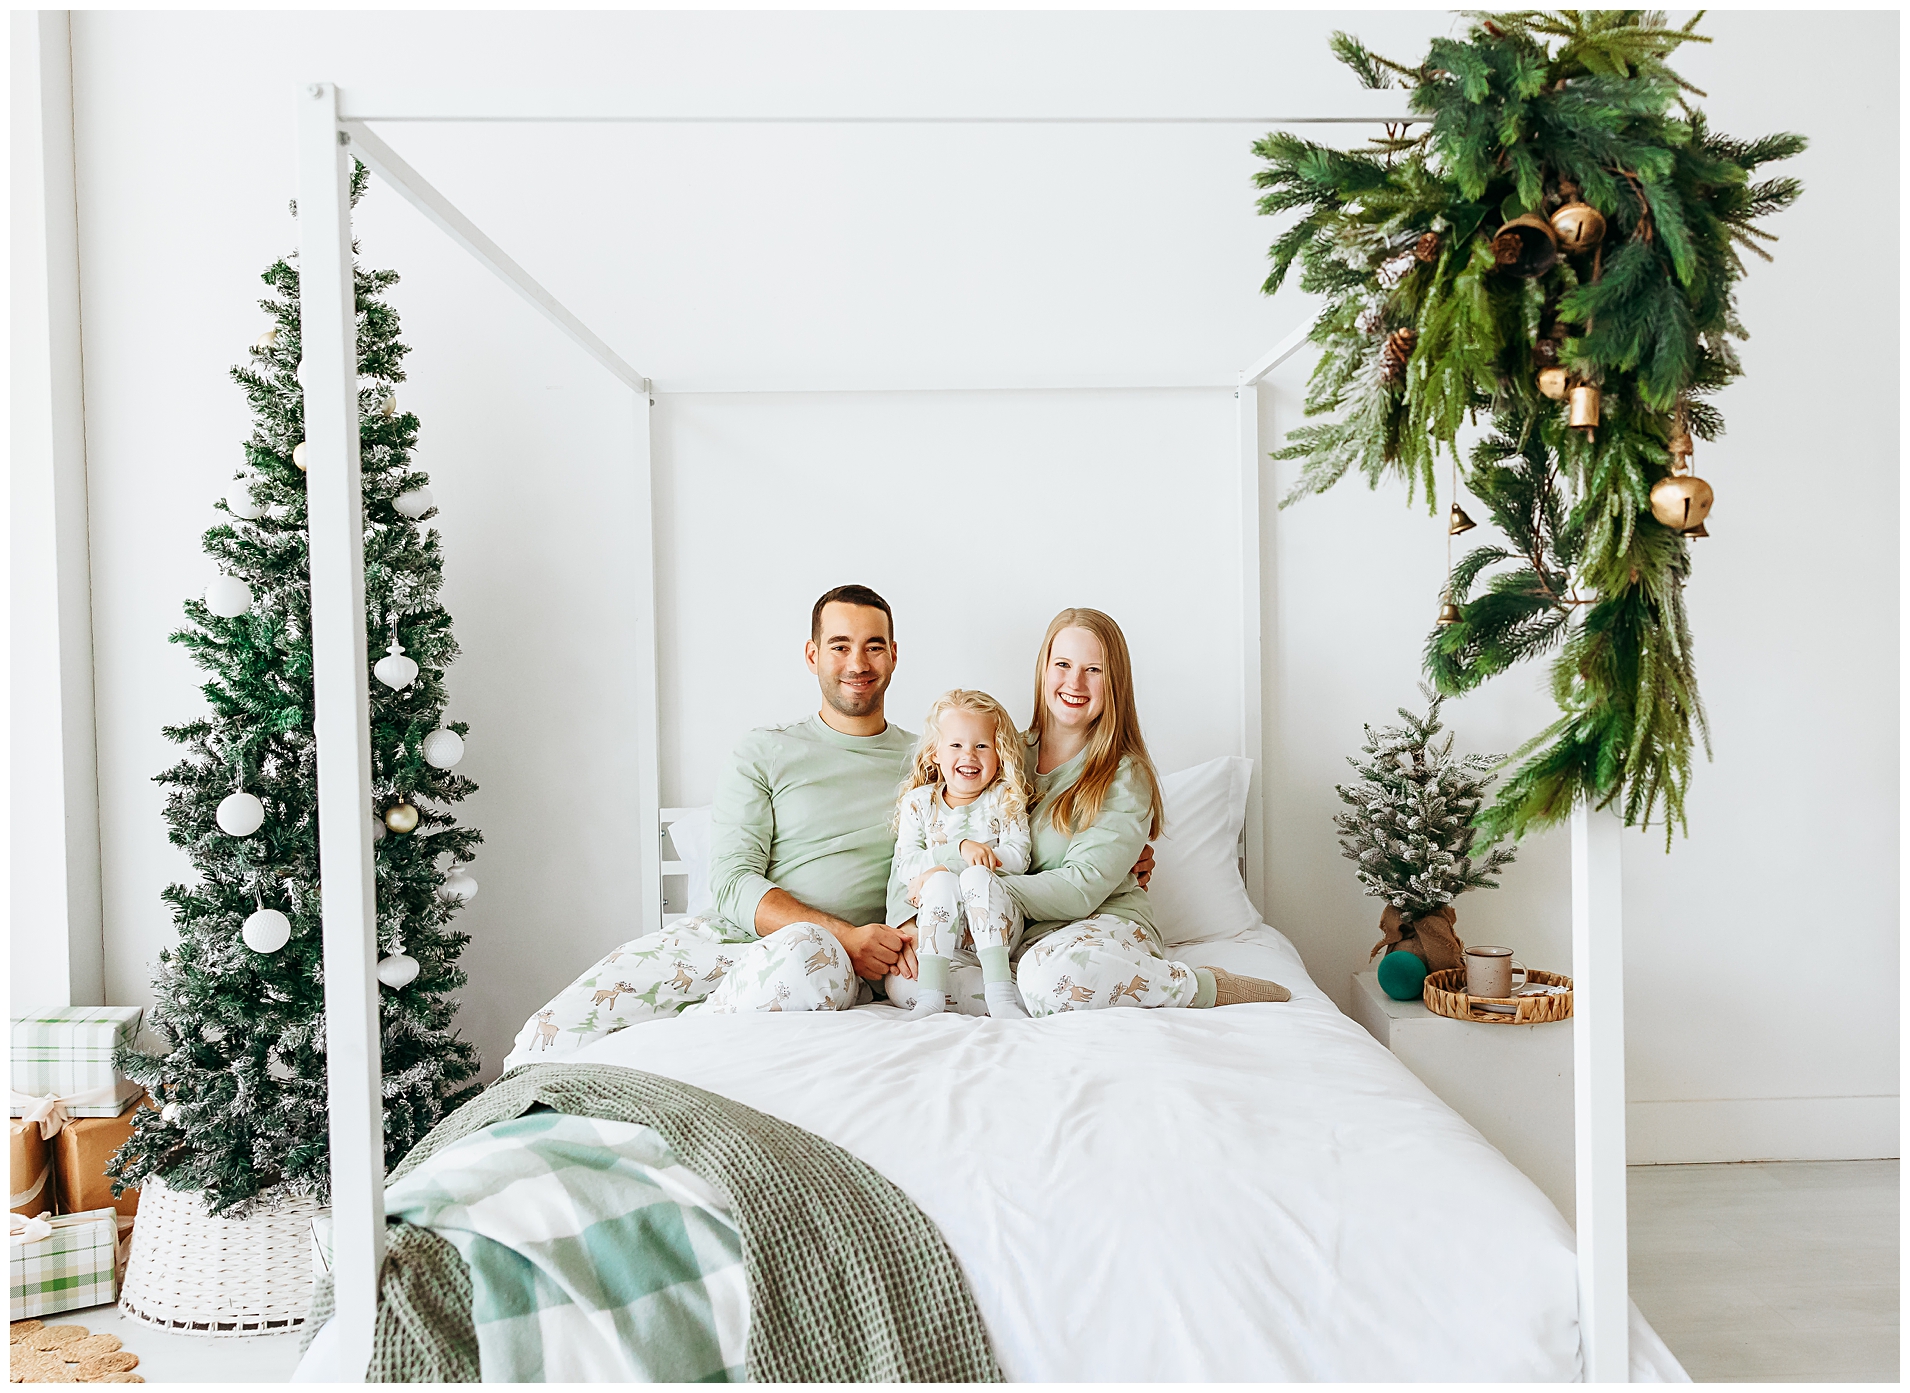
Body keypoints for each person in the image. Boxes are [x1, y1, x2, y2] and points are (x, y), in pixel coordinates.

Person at [500, 584, 918, 1069]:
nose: (857, 664)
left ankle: (668, 1063)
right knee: (554, 1034)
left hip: (825, 964)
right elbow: (732, 880)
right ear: (812, 655)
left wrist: (855, 943)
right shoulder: (765, 750)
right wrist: (847, 934)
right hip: (725, 941)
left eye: (873, 646)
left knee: (805, 951)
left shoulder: (933, 760)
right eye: (840, 645)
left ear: (892, 655)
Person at [1003, 608, 1290, 1014]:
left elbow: (1080, 890)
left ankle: (1201, 986)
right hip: (1018, 939)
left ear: (1114, 682)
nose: (1074, 682)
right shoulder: (1001, 755)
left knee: (1050, 981)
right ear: (1043, 669)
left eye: (1094, 670)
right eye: (1063, 664)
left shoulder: (1123, 773)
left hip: (1102, 925)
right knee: (924, 983)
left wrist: (981, 886)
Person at [886, 690, 1035, 1019]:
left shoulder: (1004, 799)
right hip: (942, 940)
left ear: (999, 753)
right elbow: (907, 866)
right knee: (939, 884)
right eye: (956, 745)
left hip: (998, 926)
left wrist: (966, 866)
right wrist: (958, 852)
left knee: (975, 876)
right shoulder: (919, 803)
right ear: (935, 753)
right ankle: (931, 997)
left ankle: (1001, 998)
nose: (969, 754)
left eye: (981, 745)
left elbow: (1018, 859)